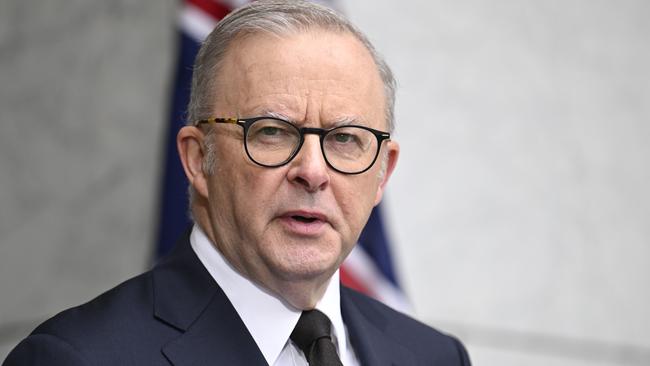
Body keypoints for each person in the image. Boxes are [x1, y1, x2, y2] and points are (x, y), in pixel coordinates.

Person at [3, 1, 470, 365]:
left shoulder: (433, 357)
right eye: (271, 131)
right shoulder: (76, 359)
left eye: (346, 138)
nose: (312, 170)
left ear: (382, 172)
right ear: (196, 159)